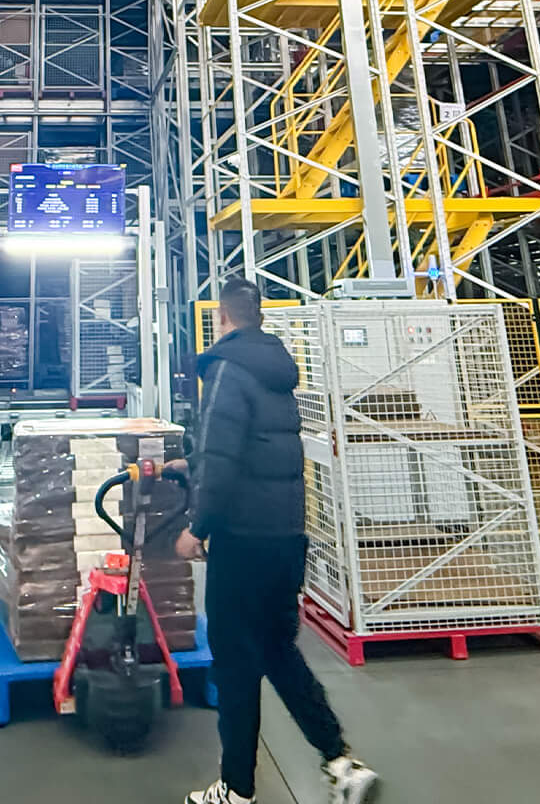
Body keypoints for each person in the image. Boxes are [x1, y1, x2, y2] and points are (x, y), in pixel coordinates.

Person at [176, 276, 379, 804]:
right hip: (285, 538)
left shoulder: (225, 369)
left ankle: (236, 789)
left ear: (222, 318)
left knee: (235, 665)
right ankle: (341, 761)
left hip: (240, 542)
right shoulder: (278, 372)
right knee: (278, 651)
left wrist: (197, 526)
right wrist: (189, 464)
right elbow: (246, 449)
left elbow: (222, 457)